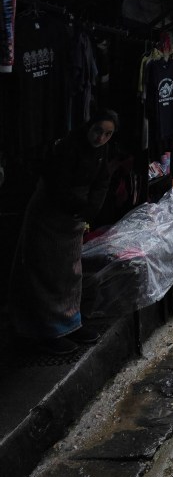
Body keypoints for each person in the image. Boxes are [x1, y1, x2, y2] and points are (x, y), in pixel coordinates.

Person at [8, 109, 119, 355]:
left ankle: (70, 323)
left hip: (74, 219)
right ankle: (47, 330)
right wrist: (79, 208)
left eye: (107, 134)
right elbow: (57, 185)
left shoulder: (101, 151)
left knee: (70, 272)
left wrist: (91, 209)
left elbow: (102, 181)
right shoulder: (68, 147)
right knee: (47, 271)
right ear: (89, 126)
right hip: (50, 215)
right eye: (98, 131)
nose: (101, 138)